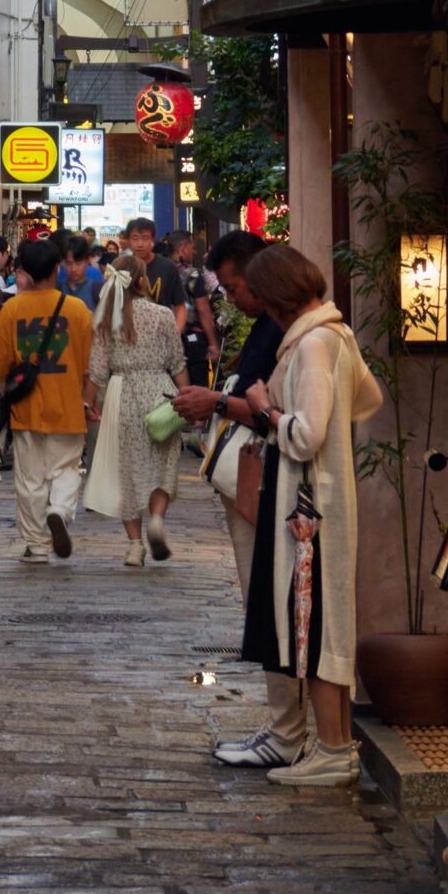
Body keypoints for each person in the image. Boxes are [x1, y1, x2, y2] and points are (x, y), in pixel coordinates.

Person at [235, 243, 383, 787]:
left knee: (313, 623)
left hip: (307, 508)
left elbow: (305, 433)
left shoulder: (314, 344)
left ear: (276, 298)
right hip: (322, 500)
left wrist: (265, 409)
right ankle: (333, 746)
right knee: (324, 621)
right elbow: (368, 399)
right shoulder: (333, 333)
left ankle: (334, 749)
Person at [172, 231, 305, 767]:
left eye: (231, 286)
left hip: (274, 481)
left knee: (273, 604)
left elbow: (278, 412)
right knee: (262, 603)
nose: (229, 297)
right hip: (254, 480)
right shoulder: (277, 326)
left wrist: (219, 401)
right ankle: (284, 727)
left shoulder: (300, 334)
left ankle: (289, 732)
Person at [0, 238, 94, 563]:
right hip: (68, 406)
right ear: (57, 269)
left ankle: (37, 545)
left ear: (24, 272)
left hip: (26, 408)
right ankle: (59, 509)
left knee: (30, 478)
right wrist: (89, 400)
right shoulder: (77, 310)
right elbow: (90, 363)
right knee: (68, 468)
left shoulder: (12, 309)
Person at [85, 260, 185, 566]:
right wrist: (191, 398)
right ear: (142, 281)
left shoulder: (106, 320)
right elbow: (178, 361)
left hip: (121, 394)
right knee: (162, 463)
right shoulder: (163, 315)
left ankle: (134, 546)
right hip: (160, 392)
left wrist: (89, 405)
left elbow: (97, 370)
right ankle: (156, 518)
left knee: (125, 471)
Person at [120, 217, 187, 335]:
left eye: (145, 238)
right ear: (128, 241)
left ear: (153, 240)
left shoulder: (168, 267)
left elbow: (180, 306)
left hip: (161, 334)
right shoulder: (122, 267)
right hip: (129, 335)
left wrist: (175, 335)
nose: (140, 244)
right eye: (135, 238)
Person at [171, 230, 217, 387]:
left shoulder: (163, 271)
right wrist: (213, 343)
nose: (194, 251)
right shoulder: (193, 275)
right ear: (183, 248)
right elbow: (203, 309)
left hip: (168, 341)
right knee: (197, 387)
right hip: (193, 341)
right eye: (192, 246)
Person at [63, 236, 104, 310]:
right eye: (69, 263)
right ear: (63, 263)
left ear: (87, 261)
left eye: (78, 263)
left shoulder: (97, 290)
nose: (73, 269)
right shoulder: (59, 289)